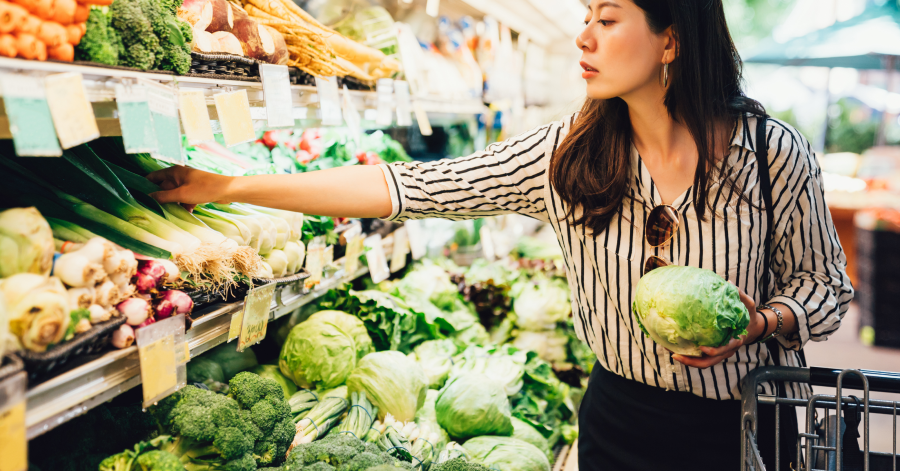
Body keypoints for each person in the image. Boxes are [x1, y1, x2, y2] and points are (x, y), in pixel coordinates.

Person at [148, 0, 853, 469]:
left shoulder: (769, 153)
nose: (584, 37)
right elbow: (406, 187)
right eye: (584, 17)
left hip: (745, 427)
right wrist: (227, 187)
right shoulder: (567, 158)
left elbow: (825, 286)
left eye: (607, 19)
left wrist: (761, 318)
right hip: (621, 421)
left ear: (671, 39)